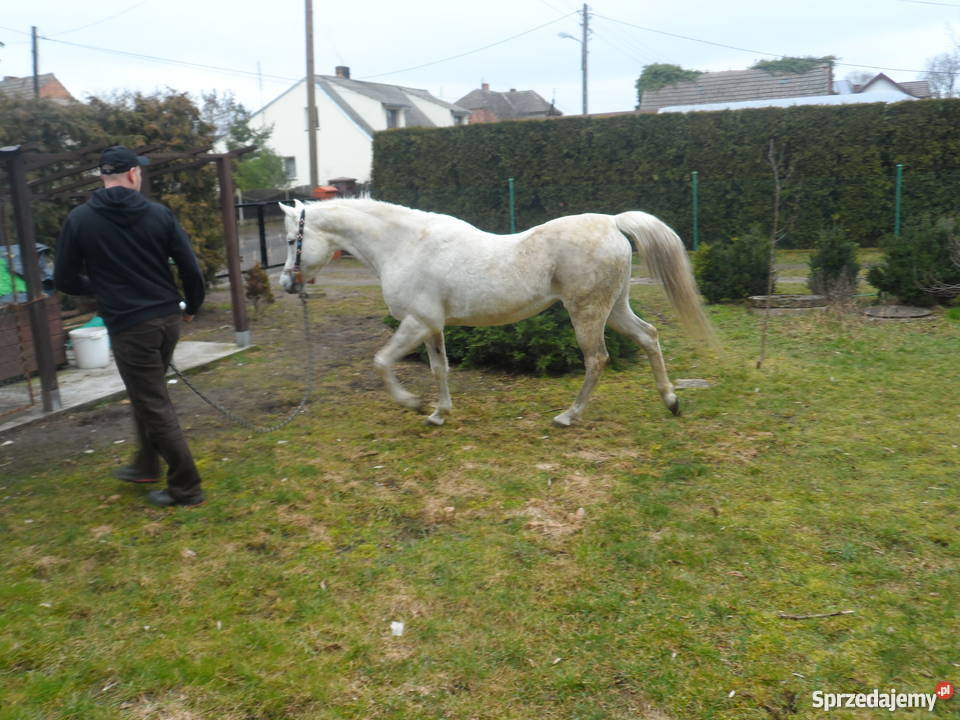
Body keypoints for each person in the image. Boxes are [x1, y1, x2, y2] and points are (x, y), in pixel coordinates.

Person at [54, 145, 206, 507]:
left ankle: (187, 487)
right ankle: (146, 464)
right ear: (134, 174)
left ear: (103, 177)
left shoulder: (80, 219)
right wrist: (192, 307)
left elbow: (65, 278)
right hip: (168, 319)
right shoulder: (159, 215)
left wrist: (99, 287)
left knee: (151, 401)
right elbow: (190, 269)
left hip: (129, 326)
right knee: (148, 395)